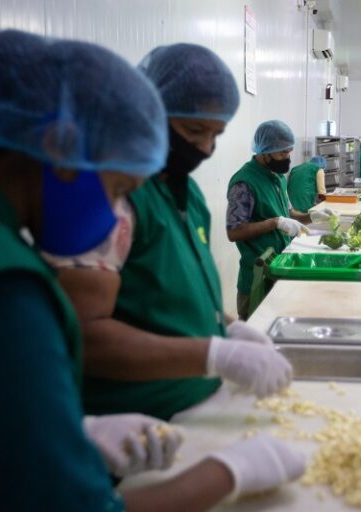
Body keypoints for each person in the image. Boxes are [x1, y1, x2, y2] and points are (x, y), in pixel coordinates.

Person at [0, 29, 304, 512]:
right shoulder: (4, 287)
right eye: (116, 188)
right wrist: (227, 472)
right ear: (62, 147)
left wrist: (73, 430)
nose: (114, 216)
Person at [47, 43, 293, 422]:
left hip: (194, 406)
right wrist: (213, 355)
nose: (206, 149)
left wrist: (230, 328)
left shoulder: (188, 194)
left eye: (216, 134)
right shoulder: (113, 195)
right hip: (137, 420)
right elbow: (85, 335)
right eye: (194, 130)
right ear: (146, 112)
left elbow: (181, 295)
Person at [226, 120, 335, 320]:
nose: (287, 158)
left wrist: (312, 216)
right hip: (257, 276)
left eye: (289, 152)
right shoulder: (244, 182)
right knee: (257, 331)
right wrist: (274, 222)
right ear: (264, 151)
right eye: (282, 153)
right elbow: (234, 232)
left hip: (281, 265)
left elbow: (289, 213)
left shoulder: (277, 177)